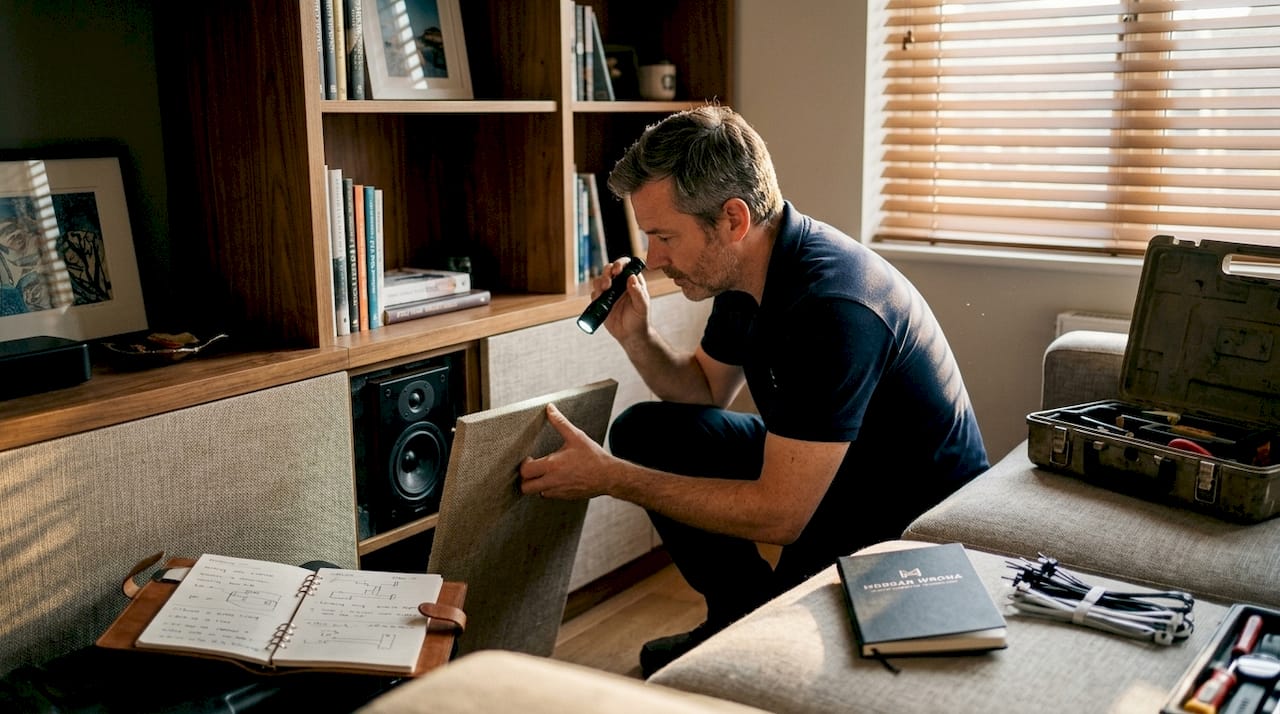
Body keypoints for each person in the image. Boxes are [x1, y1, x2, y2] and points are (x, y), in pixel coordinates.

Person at [518, 105, 988, 676]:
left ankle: (756, 627)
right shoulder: (745, 273)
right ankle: (737, 616)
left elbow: (780, 516)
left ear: (733, 220)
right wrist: (636, 337)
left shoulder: (832, 308)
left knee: (785, 660)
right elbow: (704, 393)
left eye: (665, 236)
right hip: (826, 468)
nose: (655, 260)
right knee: (646, 431)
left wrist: (610, 478)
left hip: (903, 515)